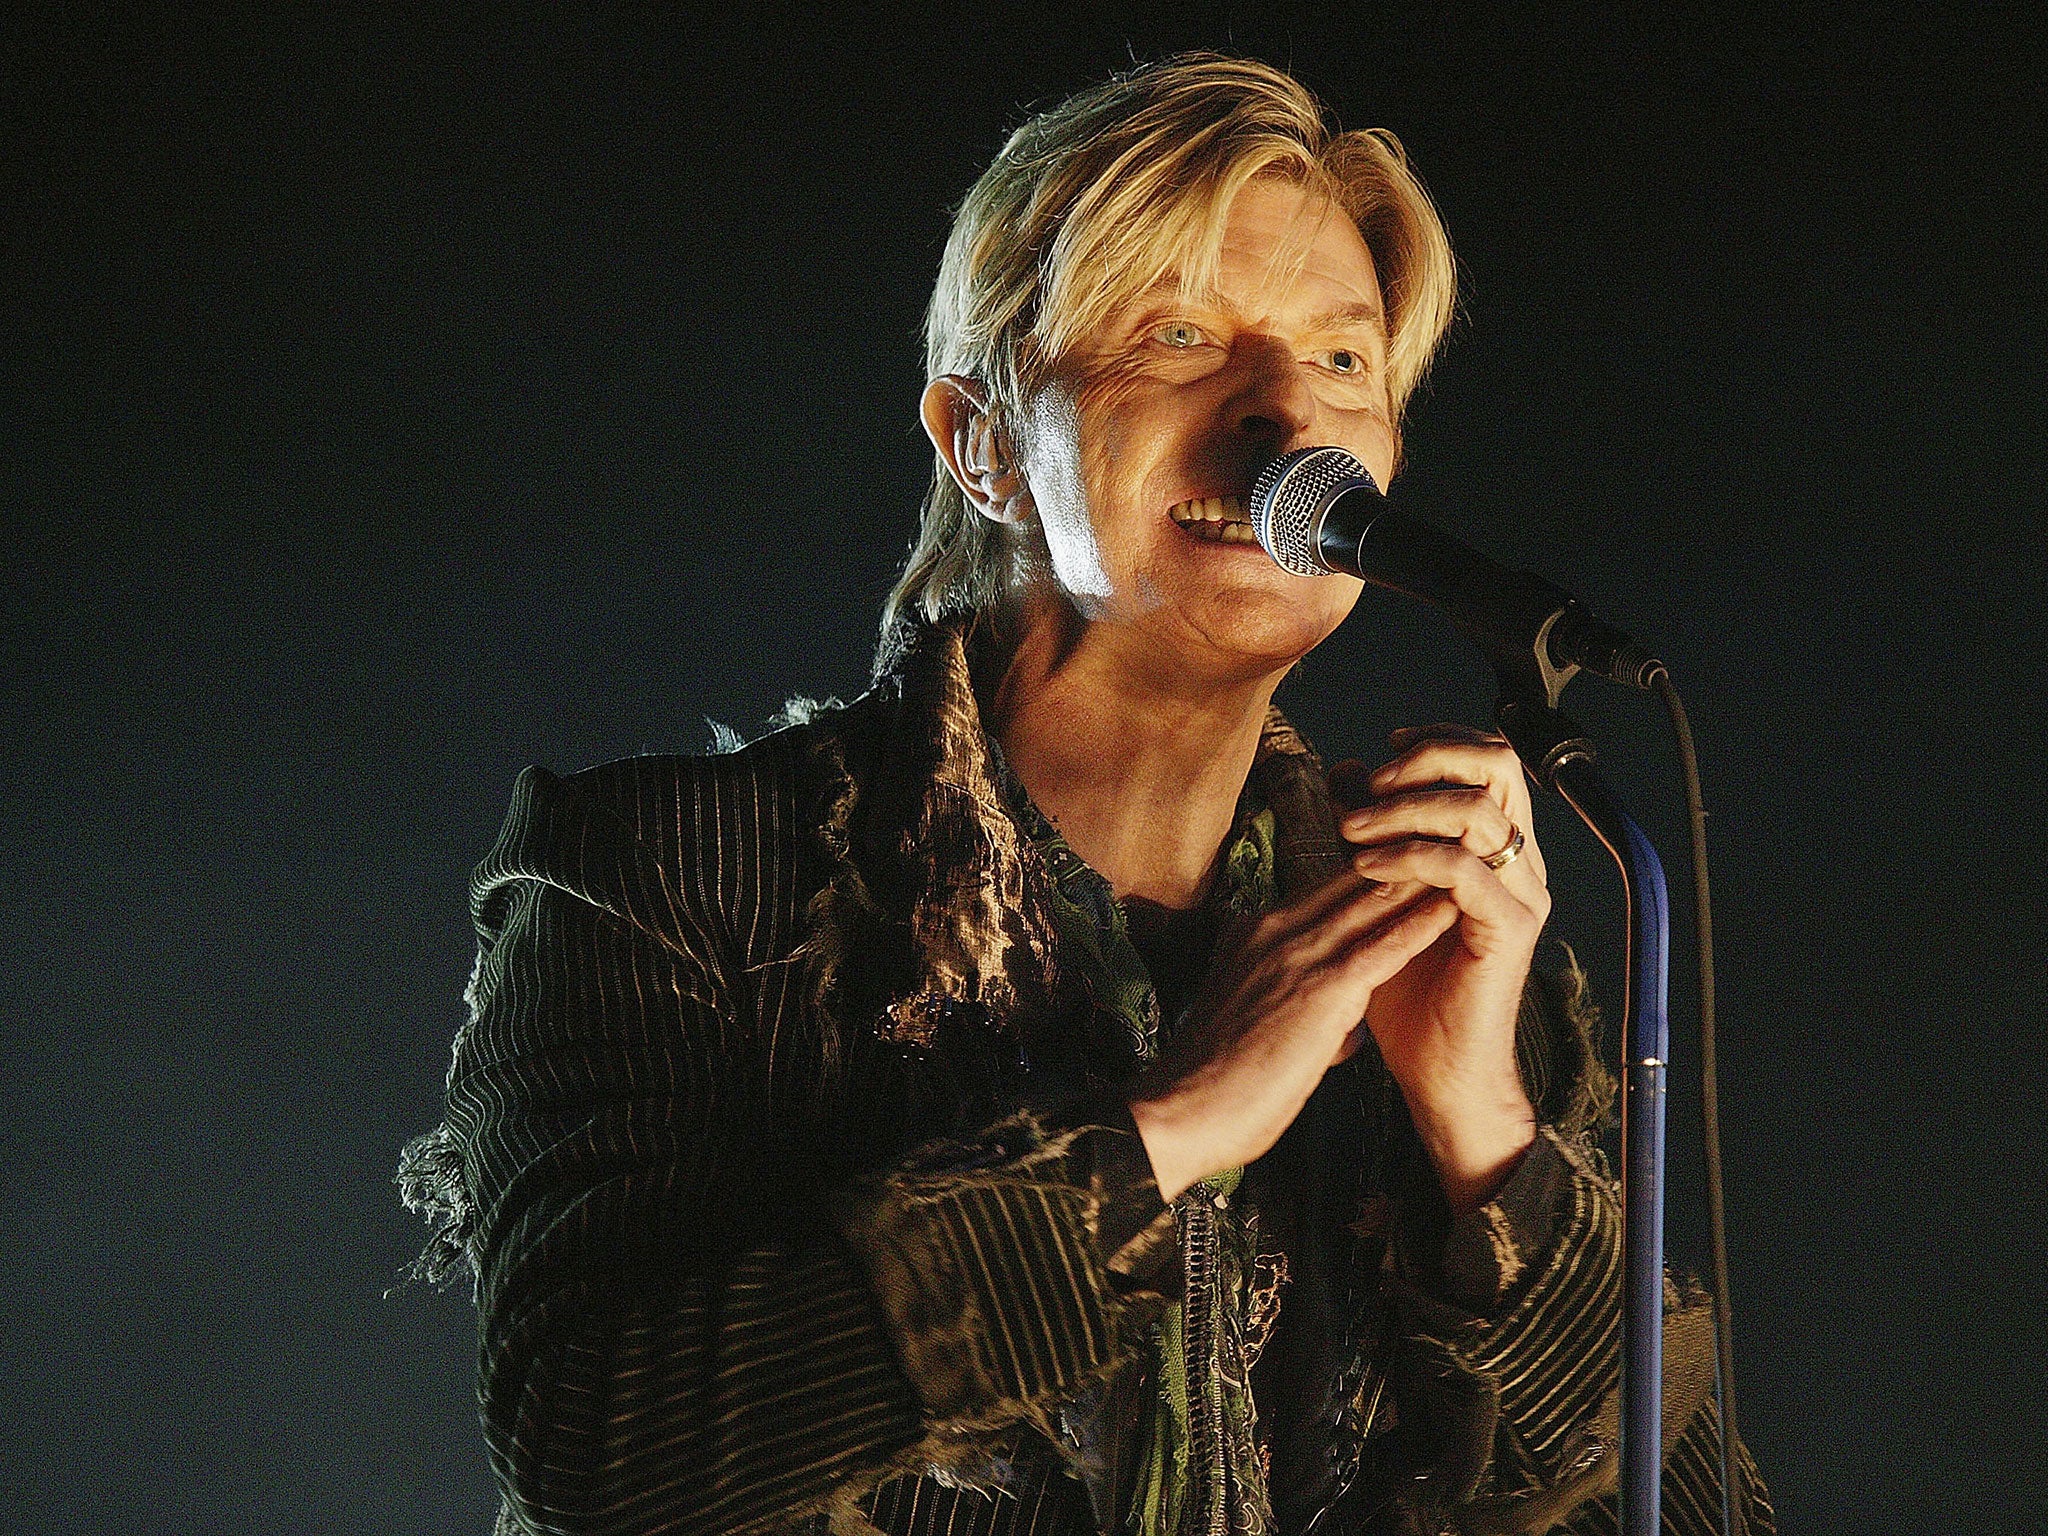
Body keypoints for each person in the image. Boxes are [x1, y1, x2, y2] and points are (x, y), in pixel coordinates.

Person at [400, 53, 1773, 1536]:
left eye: (1342, 359)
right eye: (1180, 335)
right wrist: (1172, 1126)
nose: (1282, 414)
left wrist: (1485, 1130)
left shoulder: (1458, 957)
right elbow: (595, 1439)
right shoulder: (666, 871)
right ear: (983, 446)